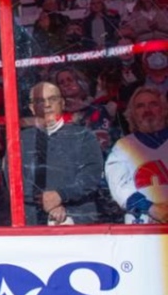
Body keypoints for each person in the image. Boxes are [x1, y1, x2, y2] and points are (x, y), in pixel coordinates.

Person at [17, 83, 104, 225]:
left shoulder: (83, 136)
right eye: (39, 101)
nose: (47, 105)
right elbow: (13, 180)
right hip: (31, 222)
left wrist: (60, 196)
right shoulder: (20, 139)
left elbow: (91, 177)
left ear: (62, 103)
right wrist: (48, 201)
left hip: (77, 219)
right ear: (32, 108)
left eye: (52, 99)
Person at [105, 87, 168, 224]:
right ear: (132, 114)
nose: (147, 110)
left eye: (153, 104)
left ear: (163, 109)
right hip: (143, 226)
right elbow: (119, 187)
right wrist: (150, 208)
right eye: (140, 106)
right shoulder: (122, 147)